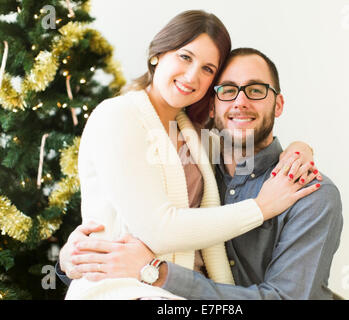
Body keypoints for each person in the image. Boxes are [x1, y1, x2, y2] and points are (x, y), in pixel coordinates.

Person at [61, 10, 322, 300]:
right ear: (158, 54)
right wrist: (261, 207)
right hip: (121, 289)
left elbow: (248, 134)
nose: (191, 76)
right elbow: (157, 229)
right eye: (185, 57)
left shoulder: (195, 135)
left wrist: (300, 149)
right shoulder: (118, 116)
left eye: (207, 69)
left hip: (174, 292)